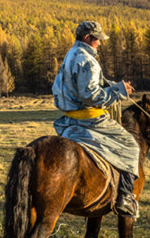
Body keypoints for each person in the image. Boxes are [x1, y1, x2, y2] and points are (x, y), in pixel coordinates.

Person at [51, 21, 141, 218]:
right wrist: (118, 92)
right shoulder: (87, 60)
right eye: (97, 39)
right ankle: (125, 198)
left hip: (69, 120)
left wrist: (114, 86)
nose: (100, 43)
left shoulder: (70, 55)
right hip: (90, 119)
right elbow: (91, 95)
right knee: (132, 147)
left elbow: (65, 88)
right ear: (87, 38)